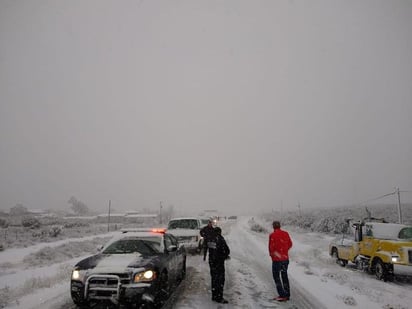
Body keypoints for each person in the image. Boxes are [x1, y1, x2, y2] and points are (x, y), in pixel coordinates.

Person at [268, 220, 292, 302]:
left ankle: (282, 295)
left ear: (273, 226)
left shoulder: (272, 235)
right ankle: (287, 294)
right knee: (284, 276)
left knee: (276, 277)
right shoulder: (285, 233)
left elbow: (271, 248)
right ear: (280, 226)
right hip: (285, 259)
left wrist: (274, 255)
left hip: (277, 260)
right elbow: (290, 244)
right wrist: (284, 252)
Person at [208, 226, 230, 303]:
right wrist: (225, 256)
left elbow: (208, 249)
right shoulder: (220, 239)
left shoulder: (210, 239)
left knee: (214, 279)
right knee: (220, 280)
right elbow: (226, 250)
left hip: (212, 262)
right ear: (219, 232)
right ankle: (219, 297)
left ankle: (214, 295)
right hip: (219, 262)